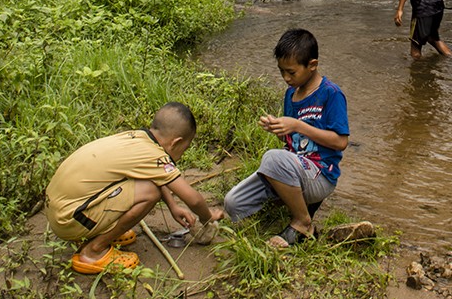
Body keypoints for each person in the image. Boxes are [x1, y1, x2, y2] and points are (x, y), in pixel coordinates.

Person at [44, 102, 224, 274]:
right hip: (69, 220)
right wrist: (208, 217)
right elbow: (193, 199)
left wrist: (173, 206)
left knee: (146, 186)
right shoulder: (154, 155)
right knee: (150, 193)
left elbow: (152, 175)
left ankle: (101, 231)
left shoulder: (138, 137)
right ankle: (93, 251)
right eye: (184, 149)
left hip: (60, 209)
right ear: (176, 142)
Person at [223, 28, 349, 248]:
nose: (286, 78)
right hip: (297, 170)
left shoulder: (331, 94)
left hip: (321, 176)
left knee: (272, 159)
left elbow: (340, 142)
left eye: (291, 72)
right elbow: (290, 144)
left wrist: (298, 125)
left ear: (312, 65)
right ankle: (289, 201)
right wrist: (279, 128)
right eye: (282, 71)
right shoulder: (291, 94)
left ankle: (303, 222)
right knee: (233, 204)